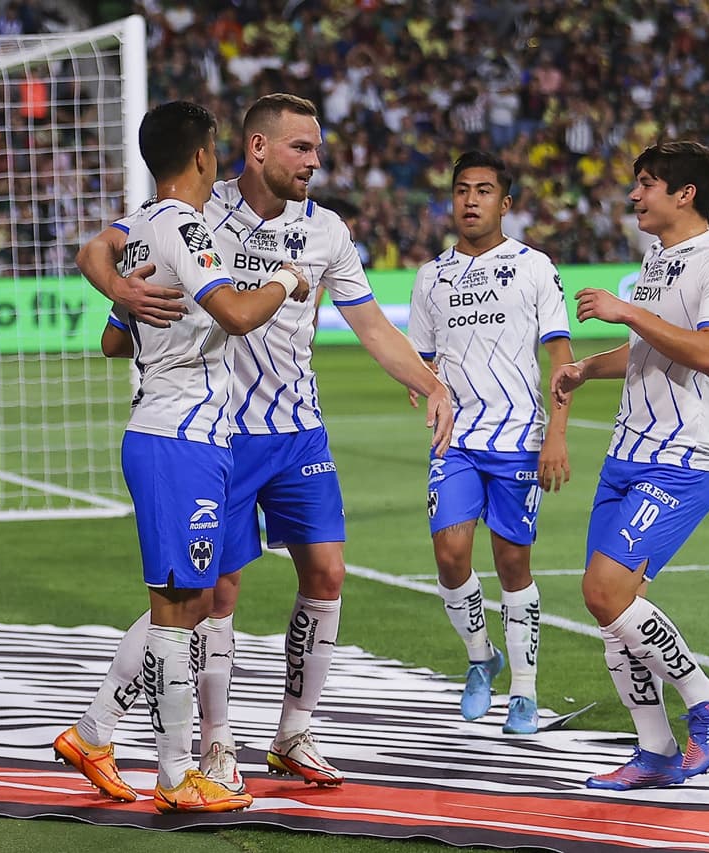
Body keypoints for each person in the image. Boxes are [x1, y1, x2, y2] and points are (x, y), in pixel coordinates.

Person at [58, 93, 454, 799]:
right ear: (257, 147)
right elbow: (98, 249)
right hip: (221, 431)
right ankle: (212, 745)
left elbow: (371, 325)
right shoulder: (196, 211)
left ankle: (293, 732)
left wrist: (431, 383)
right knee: (208, 593)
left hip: (297, 430)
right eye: (302, 147)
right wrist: (121, 290)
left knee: (326, 572)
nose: (315, 161)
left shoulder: (326, 230)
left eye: (317, 148)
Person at [67, 100, 312, 814]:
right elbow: (236, 314)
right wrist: (287, 281)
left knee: (191, 599)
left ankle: (94, 732)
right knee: (179, 612)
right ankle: (176, 775)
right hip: (180, 436)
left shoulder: (141, 227)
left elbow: (114, 342)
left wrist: (128, 301)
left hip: (178, 433)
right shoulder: (184, 225)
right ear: (203, 156)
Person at [550, 140, 709, 790]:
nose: (634, 195)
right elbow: (648, 349)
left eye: (646, 184)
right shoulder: (657, 259)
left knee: (603, 591)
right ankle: (656, 750)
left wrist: (627, 309)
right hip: (626, 456)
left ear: (684, 193)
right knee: (615, 607)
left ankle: (706, 698)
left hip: (680, 461)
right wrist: (588, 368)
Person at [406, 151, 574, 735]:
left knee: (511, 563)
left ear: (505, 203)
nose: (470, 200)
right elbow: (423, 360)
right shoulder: (430, 277)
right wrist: (421, 382)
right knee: (450, 556)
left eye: (483, 190)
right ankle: (482, 658)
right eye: (461, 190)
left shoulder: (534, 267)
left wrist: (556, 436)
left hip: (519, 437)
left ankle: (524, 690)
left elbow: (561, 359)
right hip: (455, 440)